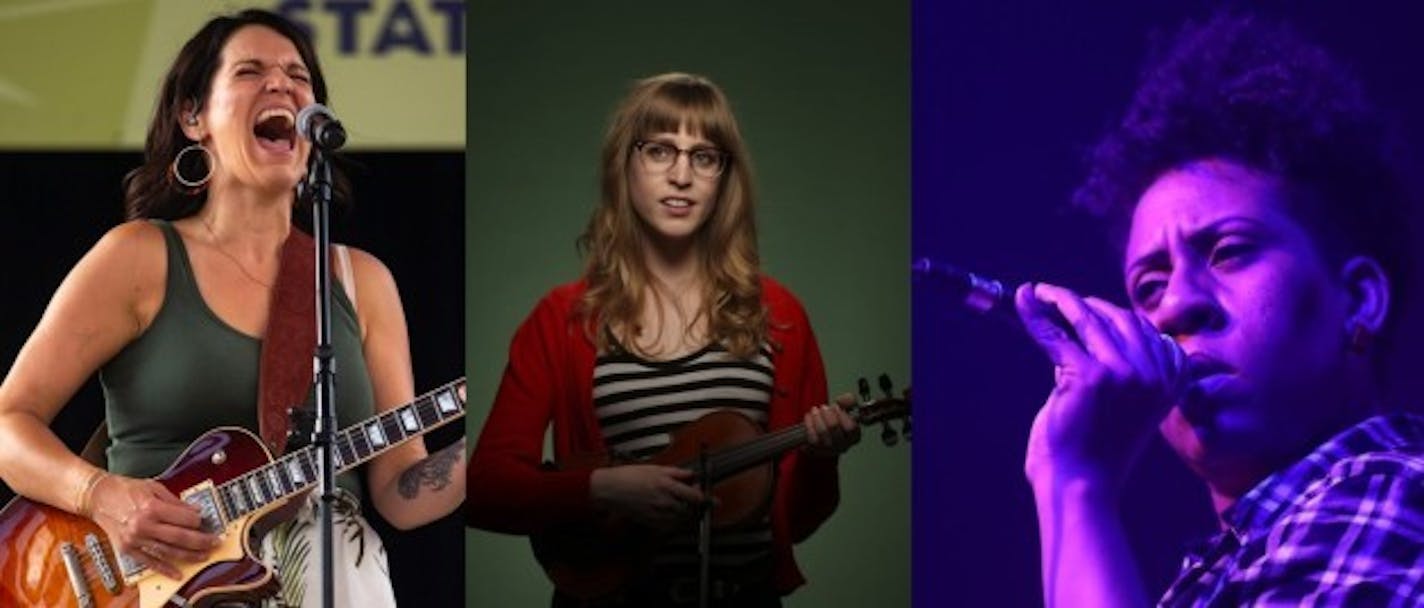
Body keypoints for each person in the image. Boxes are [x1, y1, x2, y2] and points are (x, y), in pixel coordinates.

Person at [0, 9, 464, 607]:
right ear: (194, 118)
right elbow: (9, 422)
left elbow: (404, 494)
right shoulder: (139, 256)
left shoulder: (363, 280)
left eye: (299, 76)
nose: (283, 85)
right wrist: (103, 496)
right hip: (147, 583)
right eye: (251, 71)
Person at [1014, 13, 1424, 607]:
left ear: (1359, 299)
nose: (1176, 305)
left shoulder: (1394, 493)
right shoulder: (1237, 560)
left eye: (1229, 252)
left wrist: (1077, 487)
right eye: (1149, 287)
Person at [466, 72, 860, 607]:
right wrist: (602, 488)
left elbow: (802, 519)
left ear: (724, 178)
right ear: (625, 165)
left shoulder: (780, 314)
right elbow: (485, 490)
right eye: (659, 151)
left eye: (704, 156)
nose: (681, 175)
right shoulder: (562, 317)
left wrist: (821, 457)